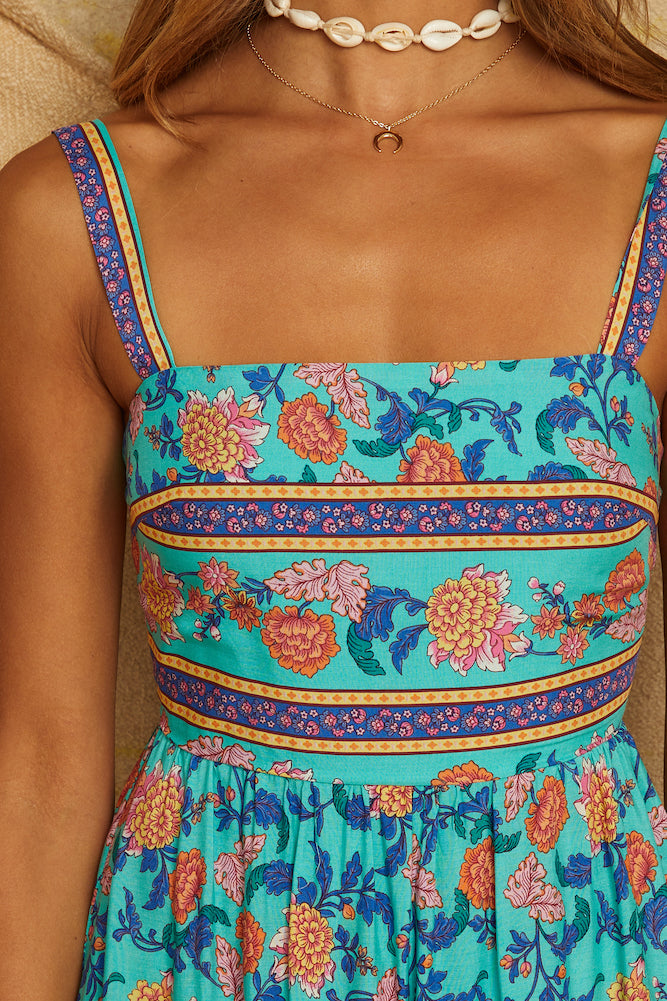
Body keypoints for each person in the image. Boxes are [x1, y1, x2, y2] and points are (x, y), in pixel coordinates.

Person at [2, 0, 667, 998]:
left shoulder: (649, 179)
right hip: (209, 952)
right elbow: (41, 757)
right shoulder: (74, 209)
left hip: (571, 948)